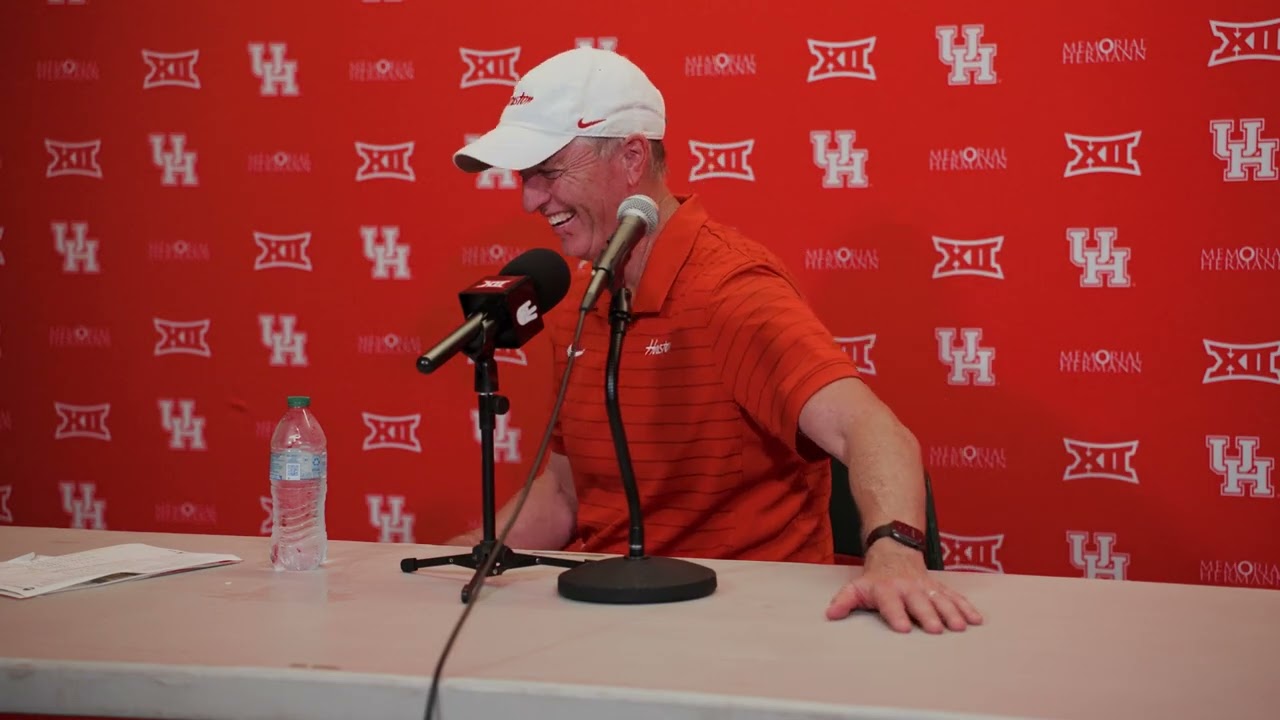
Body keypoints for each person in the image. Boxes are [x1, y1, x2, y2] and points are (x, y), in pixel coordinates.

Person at [447, 47, 983, 634]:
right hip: (605, 620)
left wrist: (895, 557)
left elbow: (873, 431)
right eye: (524, 177)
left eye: (547, 172)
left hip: (743, 629)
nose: (529, 200)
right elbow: (566, 492)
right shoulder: (584, 293)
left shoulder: (730, 290)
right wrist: (461, 553)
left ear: (631, 158)